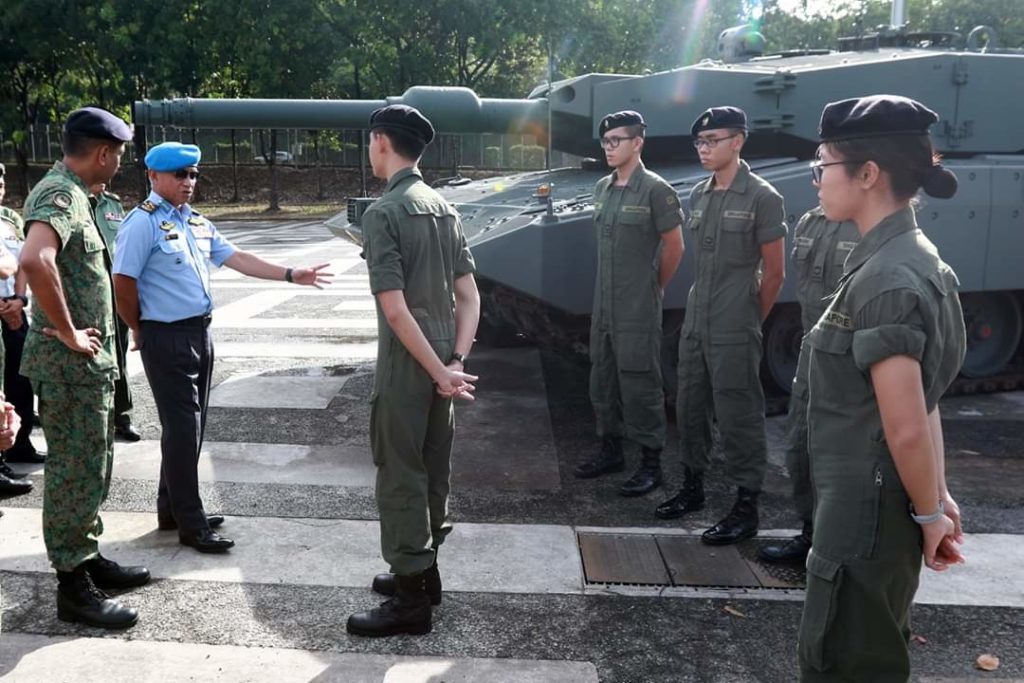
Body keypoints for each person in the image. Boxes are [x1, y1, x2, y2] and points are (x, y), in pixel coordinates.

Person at [797, 95, 966, 681]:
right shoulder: (917, 259)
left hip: (863, 522)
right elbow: (927, 401)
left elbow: (906, 424)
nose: (815, 180)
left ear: (868, 174)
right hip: (884, 514)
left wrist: (929, 515)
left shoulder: (886, 278)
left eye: (823, 166)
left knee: (843, 663)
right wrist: (934, 501)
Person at [112, 142, 331, 553]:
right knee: (183, 430)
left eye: (193, 174)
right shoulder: (141, 224)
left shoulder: (194, 222)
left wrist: (290, 274)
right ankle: (192, 525)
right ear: (153, 177)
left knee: (188, 432)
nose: (188, 182)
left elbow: (236, 257)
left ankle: (172, 509)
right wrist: (139, 327)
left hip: (199, 334)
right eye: (180, 175)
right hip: (166, 336)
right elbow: (122, 282)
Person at [346, 105, 480, 638]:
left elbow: (395, 310)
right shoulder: (445, 208)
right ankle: (427, 574)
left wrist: (435, 369)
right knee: (432, 466)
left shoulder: (384, 213)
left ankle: (409, 602)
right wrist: (454, 363)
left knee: (400, 473)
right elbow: (469, 297)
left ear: (381, 141)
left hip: (408, 362)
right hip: (442, 357)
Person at [19, 107, 150, 629]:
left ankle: (88, 558)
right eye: (117, 154)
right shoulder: (60, 195)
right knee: (74, 472)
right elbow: (35, 260)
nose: (117, 163)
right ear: (103, 153)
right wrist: (71, 331)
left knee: (93, 466)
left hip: (85, 370)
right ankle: (73, 586)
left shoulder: (79, 195)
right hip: (69, 366)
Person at [656, 107, 787, 546]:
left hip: (735, 319)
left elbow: (775, 274)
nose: (704, 149)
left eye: (713, 140)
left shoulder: (763, 196)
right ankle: (692, 488)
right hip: (697, 318)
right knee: (690, 405)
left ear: (738, 141)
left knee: (738, 414)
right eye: (700, 142)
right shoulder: (700, 194)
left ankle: (745, 506)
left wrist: (749, 319)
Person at [573, 111, 685, 497]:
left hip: (637, 306)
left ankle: (651, 462)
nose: (609, 147)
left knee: (640, 382)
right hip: (603, 305)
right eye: (605, 141)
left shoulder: (656, 189)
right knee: (602, 378)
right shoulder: (603, 187)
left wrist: (654, 287)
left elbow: (675, 246)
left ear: (638, 142)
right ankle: (611, 450)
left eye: (617, 140)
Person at [758, 209, 859, 564]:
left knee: (839, 456)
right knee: (799, 447)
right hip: (810, 351)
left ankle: (838, 545)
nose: (818, 179)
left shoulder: (870, 223)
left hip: (847, 363)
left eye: (825, 168)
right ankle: (810, 535)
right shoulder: (810, 222)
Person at [0, 163, 45, 472]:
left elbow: (21, 264)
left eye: (1, 179)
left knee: (21, 378)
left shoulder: (9, 220)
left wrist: (19, 300)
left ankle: (20, 443)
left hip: (13, 308)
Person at [90, 182, 140, 441]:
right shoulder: (73, 202)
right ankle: (97, 416)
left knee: (120, 356)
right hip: (88, 299)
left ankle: (122, 414)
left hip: (116, 294)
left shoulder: (113, 203)